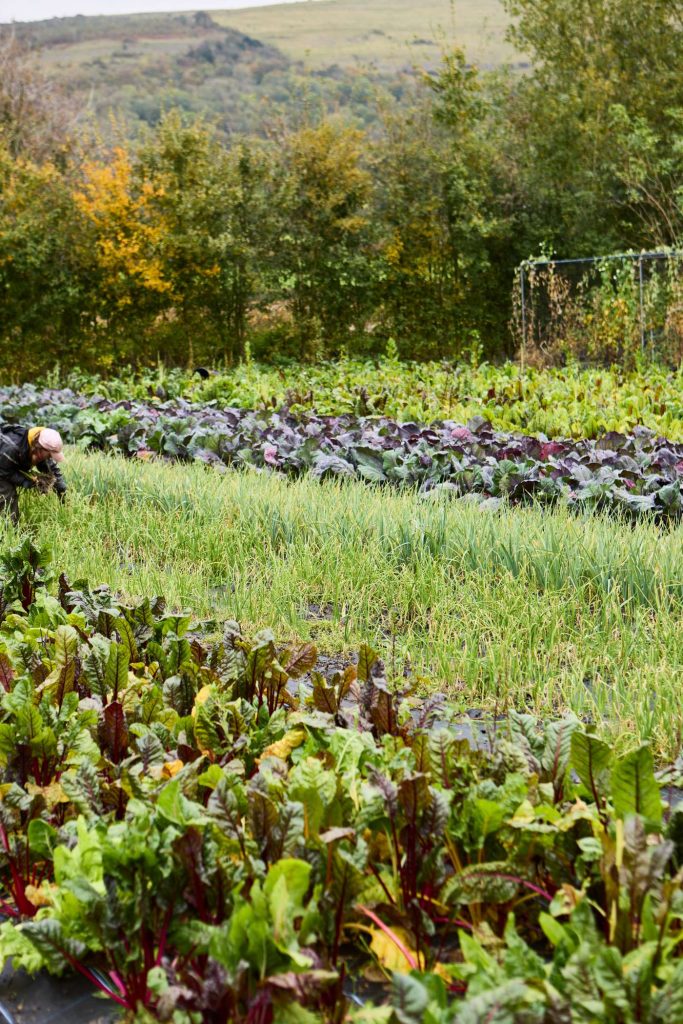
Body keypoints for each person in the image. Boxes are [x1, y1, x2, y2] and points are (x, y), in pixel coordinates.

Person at [0, 426, 67, 524]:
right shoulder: (12, 448)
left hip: (6, 465)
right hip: (2, 468)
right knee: (8, 498)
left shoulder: (35, 447)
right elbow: (4, 472)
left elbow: (48, 466)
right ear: (40, 449)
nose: (49, 457)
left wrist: (60, 485)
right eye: (49, 455)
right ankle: (10, 531)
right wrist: (25, 481)